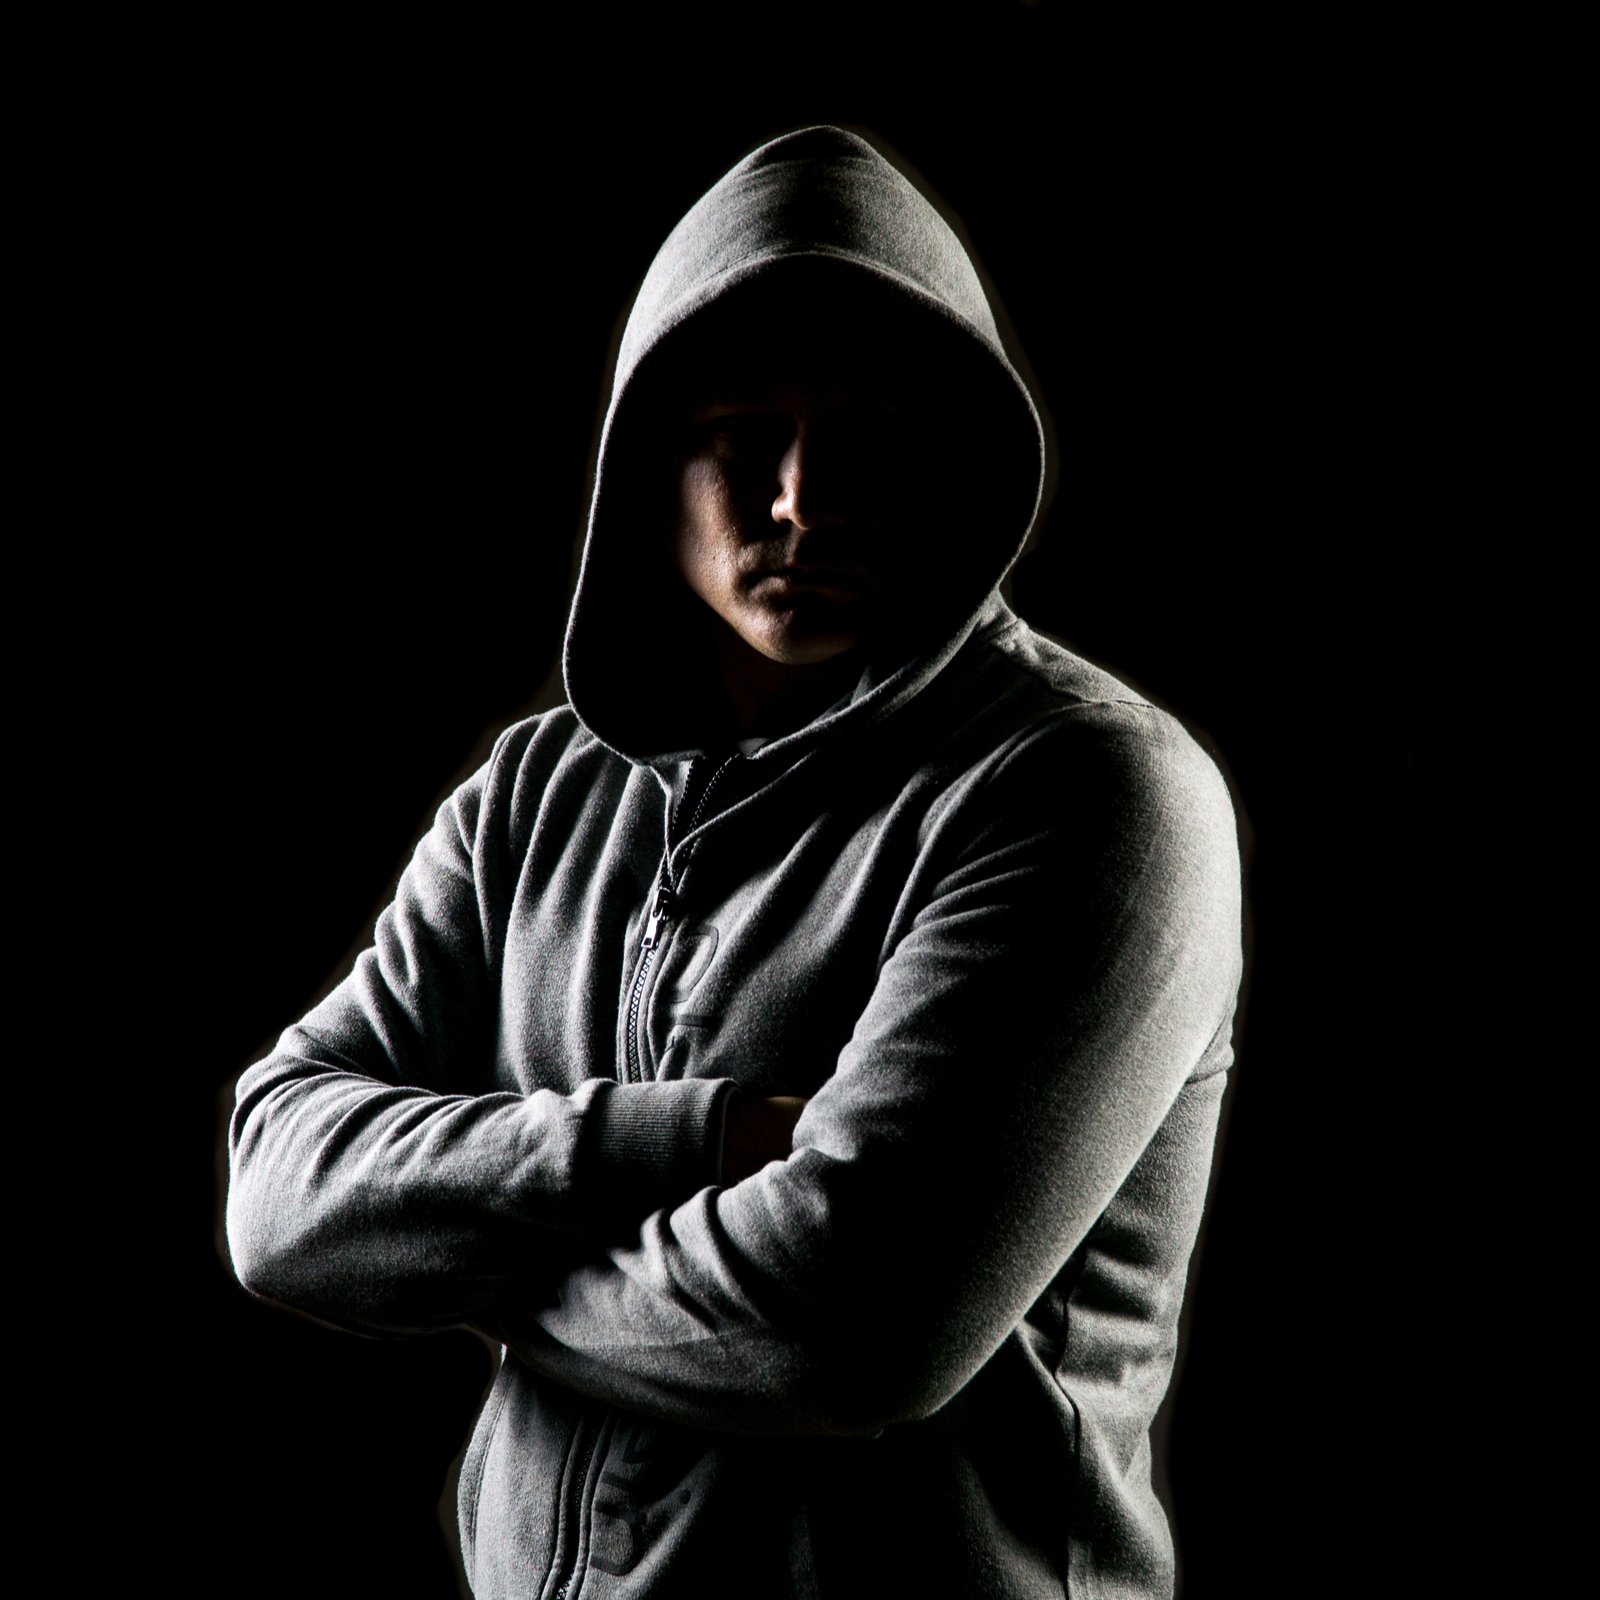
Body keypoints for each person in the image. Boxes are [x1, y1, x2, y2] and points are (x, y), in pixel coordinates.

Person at [227, 126, 1243, 1599]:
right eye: (741, 431)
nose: (802, 499)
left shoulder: (1091, 793)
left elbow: (842, 1332)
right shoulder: (535, 795)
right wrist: (696, 1145)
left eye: (871, 439)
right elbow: (277, 1192)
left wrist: (458, 1263)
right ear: (646, 466)